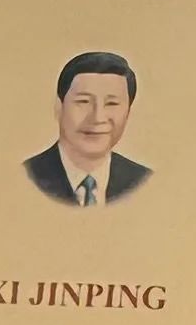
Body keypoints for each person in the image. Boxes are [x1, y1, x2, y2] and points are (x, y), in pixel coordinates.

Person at [22, 48, 151, 207]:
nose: (97, 118)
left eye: (112, 103)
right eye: (83, 101)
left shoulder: (142, 181)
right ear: (59, 107)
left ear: (128, 112)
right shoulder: (27, 177)